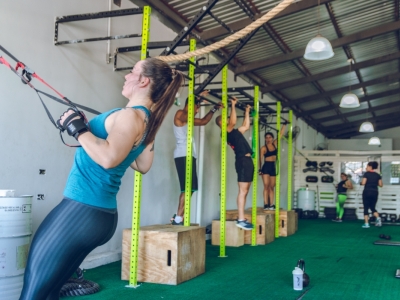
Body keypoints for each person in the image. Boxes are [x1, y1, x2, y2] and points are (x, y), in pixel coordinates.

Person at [19, 58, 184, 300]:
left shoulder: (130, 116)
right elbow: (143, 165)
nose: (127, 76)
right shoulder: (147, 122)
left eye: (132, 72)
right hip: (100, 217)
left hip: (81, 211)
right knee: (49, 291)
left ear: (143, 80)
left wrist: (78, 129)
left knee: (32, 294)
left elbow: (108, 158)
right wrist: (86, 130)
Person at [171, 91, 222, 225]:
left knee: (191, 189)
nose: (198, 110)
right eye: (197, 107)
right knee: (186, 188)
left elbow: (204, 121)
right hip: (183, 155)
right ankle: (178, 218)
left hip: (189, 155)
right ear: (190, 105)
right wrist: (197, 98)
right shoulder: (180, 114)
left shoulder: (188, 118)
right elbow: (189, 114)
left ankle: (178, 217)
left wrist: (214, 108)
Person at [216, 98, 254, 230]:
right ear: (221, 123)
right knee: (242, 191)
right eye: (226, 119)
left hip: (248, 161)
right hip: (242, 161)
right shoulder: (225, 132)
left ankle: (242, 217)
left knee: (246, 190)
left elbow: (246, 126)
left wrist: (247, 112)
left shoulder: (235, 133)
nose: (228, 120)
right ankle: (241, 219)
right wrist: (232, 105)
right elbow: (233, 121)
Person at [259, 127, 285, 210]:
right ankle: (266, 204)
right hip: (266, 167)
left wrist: (284, 125)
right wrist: (260, 169)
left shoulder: (274, 144)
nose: (268, 139)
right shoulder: (263, 148)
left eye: (270, 137)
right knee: (266, 186)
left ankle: (271, 204)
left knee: (272, 187)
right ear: (264, 139)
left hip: (273, 166)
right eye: (266, 138)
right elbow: (260, 159)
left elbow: (280, 134)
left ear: (272, 138)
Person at [361, 161, 383, 228]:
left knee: (366, 207)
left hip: (367, 192)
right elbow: (381, 185)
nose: (366, 168)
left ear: (370, 167)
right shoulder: (378, 175)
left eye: (367, 166)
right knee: (372, 207)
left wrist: (361, 183)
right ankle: (378, 218)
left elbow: (363, 183)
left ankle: (366, 224)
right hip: (375, 192)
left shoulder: (366, 174)